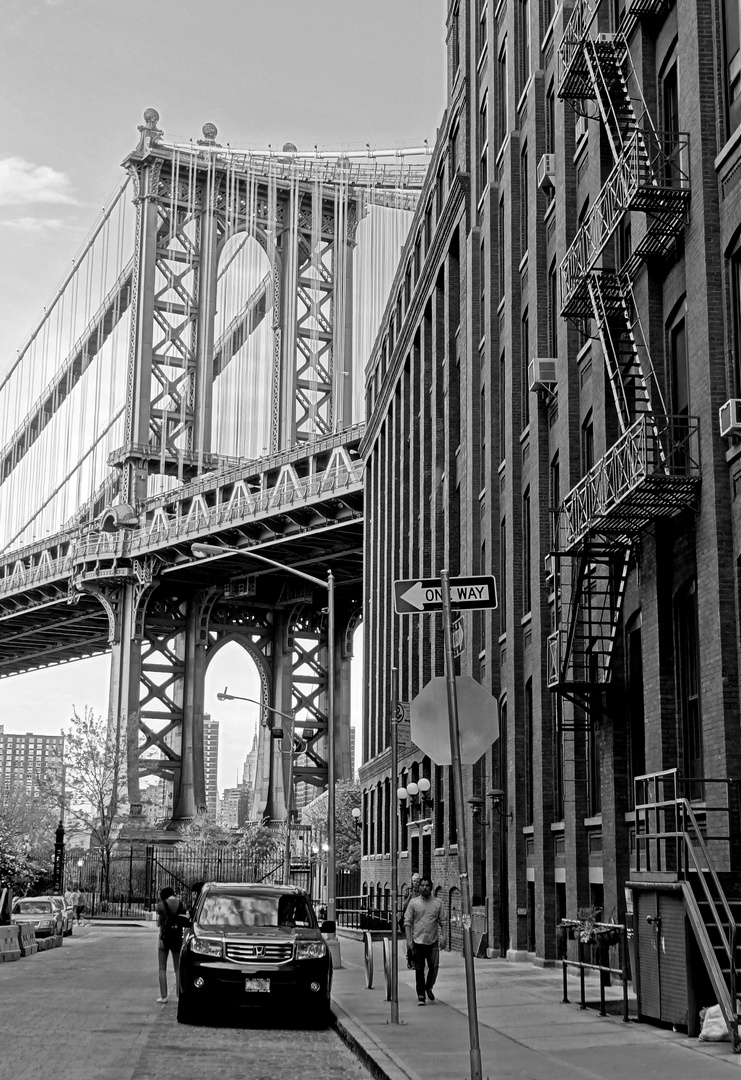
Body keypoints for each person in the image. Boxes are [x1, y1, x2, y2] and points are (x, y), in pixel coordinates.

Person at [403, 877, 445, 1006]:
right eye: (422, 885)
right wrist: (409, 941)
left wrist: (444, 937)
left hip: (432, 940)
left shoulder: (438, 903)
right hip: (418, 940)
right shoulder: (414, 903)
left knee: (434, 967)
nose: (424, 887)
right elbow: (407, 923)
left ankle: (429, 987)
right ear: (419, 887)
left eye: (427, 885)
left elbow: (443, 921)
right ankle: (421, 995)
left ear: (431, 888)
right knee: (419, 969)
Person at [156, 886, 185, 1004]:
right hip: (177, 939)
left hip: (164, 939)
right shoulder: (182, 905)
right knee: (178, 968)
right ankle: (179, 996)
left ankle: (163, 996)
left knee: (162, 968)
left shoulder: (161, 905)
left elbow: (158, 923)